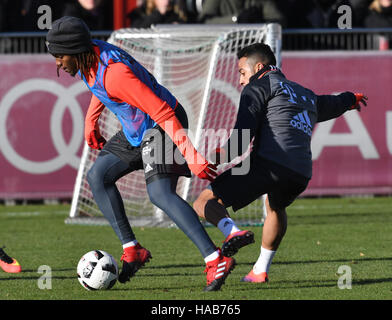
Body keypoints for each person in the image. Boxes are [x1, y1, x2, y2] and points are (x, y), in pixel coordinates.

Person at [46, 16, 235, 291]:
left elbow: (162, 110)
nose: (57, 62)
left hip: (161, 124)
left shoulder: (115, 73)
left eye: (59, 55)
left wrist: (190, 154)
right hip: (138, 130)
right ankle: (132, 249)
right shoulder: (91, 56)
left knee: (160, 194)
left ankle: (215, 258)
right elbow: (98, 88)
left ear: (74, 50)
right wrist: (91, 121)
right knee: (97, 176)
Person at [193, 43, 368, 283]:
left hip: (269, 165)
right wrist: (351, 99)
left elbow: (241, 141)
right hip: (301, 173)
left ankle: (232, 232)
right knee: (275, 207)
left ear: (259, 67)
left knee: (204, 202)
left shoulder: (258, 87)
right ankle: (260, 269)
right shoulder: (305, 93)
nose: (241, 81)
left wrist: (213, 158)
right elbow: (333, 103)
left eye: (243, 72)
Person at [198, 0, 286, 26]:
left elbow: (277, 20)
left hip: (253, 48)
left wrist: (257, 24)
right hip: (224, 49)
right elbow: (205, 22)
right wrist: (236, 19)